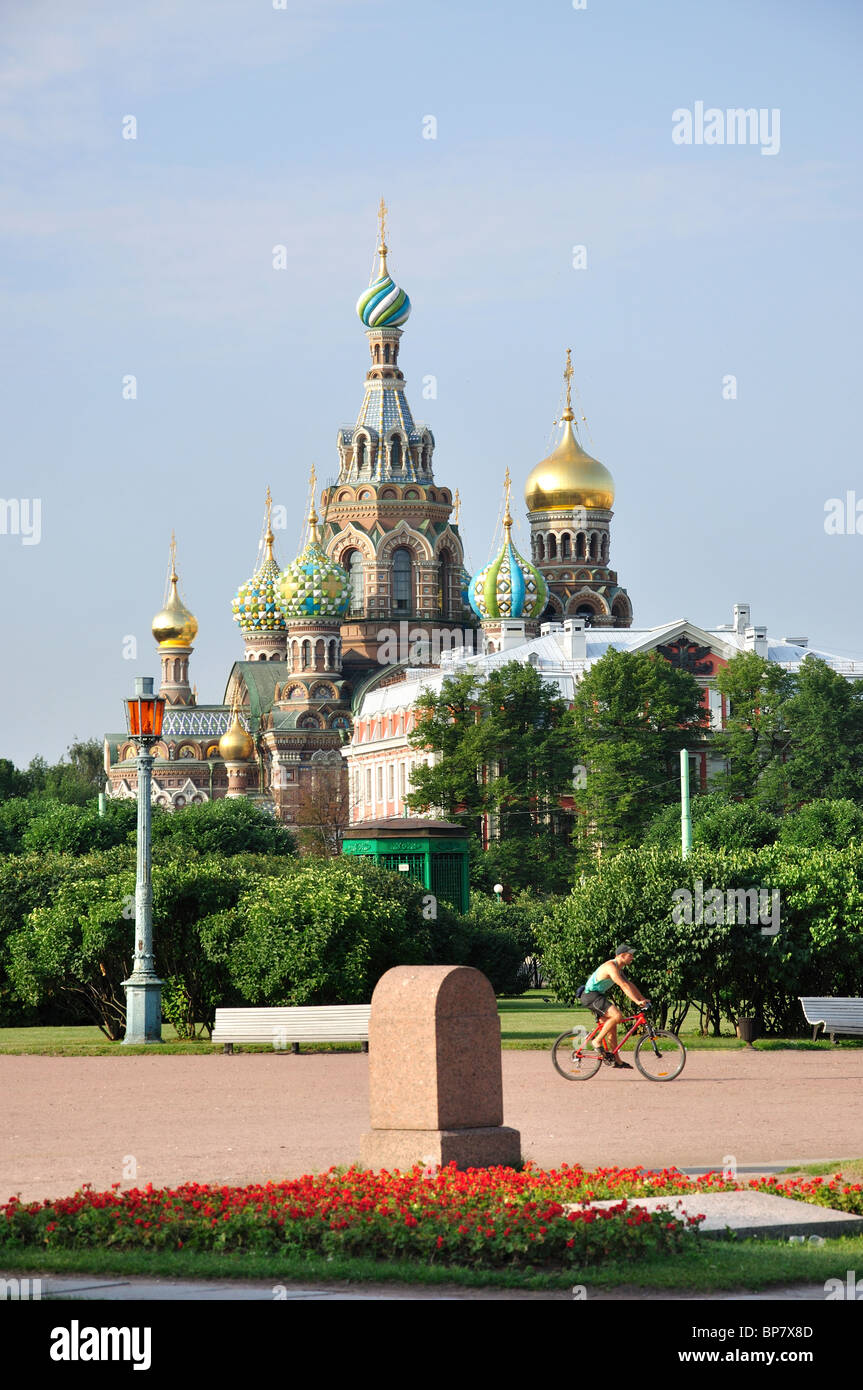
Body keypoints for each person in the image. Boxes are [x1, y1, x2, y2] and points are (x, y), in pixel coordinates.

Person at [581, 943, 650, 1070]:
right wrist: (636, 1001)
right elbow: (623, 985)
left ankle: (616, 1060)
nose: (632, 958)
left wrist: (642, 999)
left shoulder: (619, 968)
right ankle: (596, 1041)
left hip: (597, 996)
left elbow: (630, 984)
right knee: (617, 1015)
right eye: (630, 955)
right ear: (622, 955)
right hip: (591, 996)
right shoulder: (611, 967)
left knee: (611, 1027)